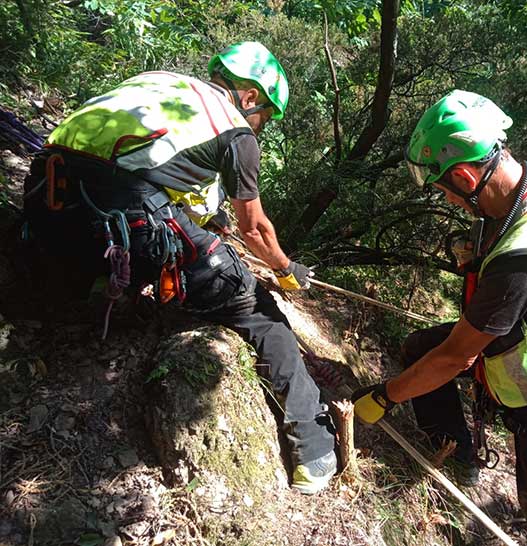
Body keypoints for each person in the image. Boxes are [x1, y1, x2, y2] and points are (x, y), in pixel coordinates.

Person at [22, 41, 337, 494]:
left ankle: (85, 295)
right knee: (259, 309)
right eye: (264, 115)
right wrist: (288, 270)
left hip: (46, 202)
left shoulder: (159, 85)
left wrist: (211, 223)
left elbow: (154, 170)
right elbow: (256, 231)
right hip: (126, 221)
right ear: (250, 97)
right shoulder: (236, 131)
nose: (260, 126)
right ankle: (312, 448)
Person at [352, 90, 527, 546]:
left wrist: (385, 397)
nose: (447, 200)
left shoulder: (525, 254)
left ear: (466, 175)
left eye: (444, 189)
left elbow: (454, 358)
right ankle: (457, 456)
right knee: (418, 348)